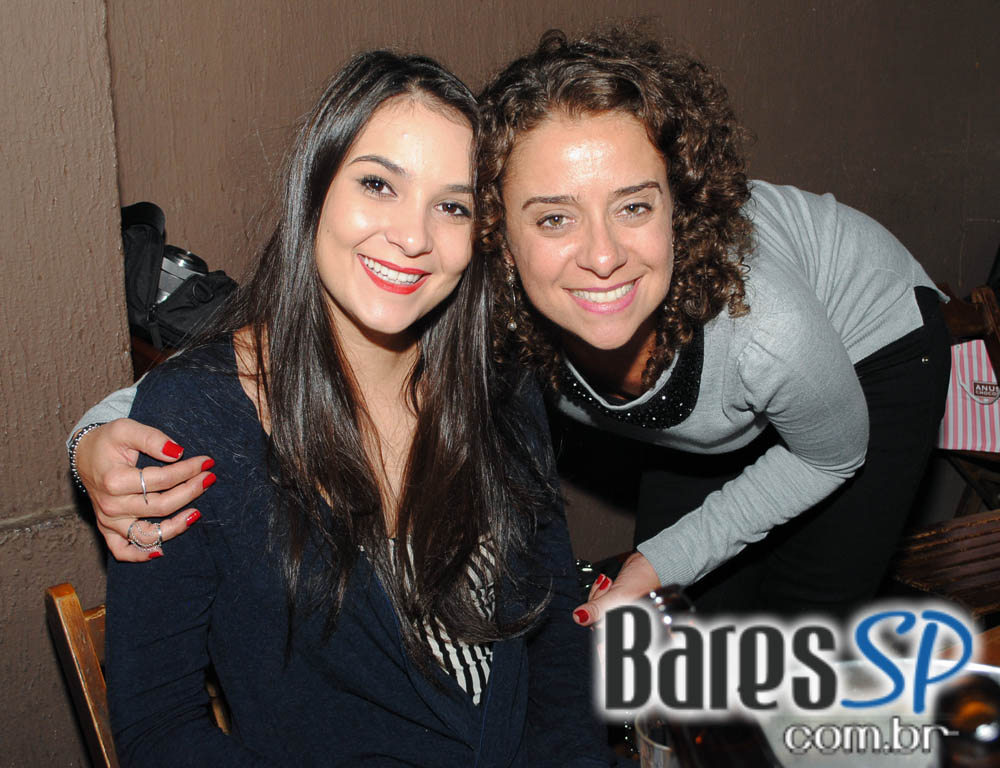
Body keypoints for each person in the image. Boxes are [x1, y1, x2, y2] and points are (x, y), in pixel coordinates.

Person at [72, 28, 950, 623]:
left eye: (634, 206)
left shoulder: (769, 329)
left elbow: (827, 455)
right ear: (497, 232)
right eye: (554, 216)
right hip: (706, 408)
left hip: (870, 349)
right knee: (683, 620)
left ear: (679, 209)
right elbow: (279, 352)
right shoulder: (482, 286)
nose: (600, 256)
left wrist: (652, 563)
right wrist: (97, 438)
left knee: (791, 630)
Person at [85, 49, 610, 767]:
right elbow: (159, 727)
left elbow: (552, 644)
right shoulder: (198, 415)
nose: (414, 237)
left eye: (452, 206)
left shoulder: (501, 387)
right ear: (316, 188)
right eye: (378, 184)